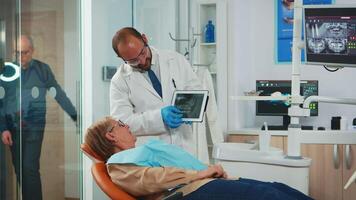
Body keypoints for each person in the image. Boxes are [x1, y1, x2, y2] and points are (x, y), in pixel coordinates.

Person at [84, 116, 313, 200]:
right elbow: (152, 179)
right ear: (111, 135)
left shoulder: (138, 151)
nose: (128, 126)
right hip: (189, 192)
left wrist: (210, 171)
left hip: (205, 183)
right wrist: (202, 173)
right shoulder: (118, 165)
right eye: (121, 124)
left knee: (280, 189)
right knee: (270, 196)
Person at [0, 35, 77, 200]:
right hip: (13, 127)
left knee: (30, 167)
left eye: (25, 52)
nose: (20, 57)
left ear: (32, 51)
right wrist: (3, 128)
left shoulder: (43, 70)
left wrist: (74, 114)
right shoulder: (7, 71)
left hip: (34, 127)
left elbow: (57, 93)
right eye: (17, 52)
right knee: (20, 168)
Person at [110, 27, 202, 156]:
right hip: (150, 154)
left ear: (145, 39)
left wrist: (192, 109)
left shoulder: (175, 59)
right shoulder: (119, 81)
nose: (141, 61)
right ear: (121, 57)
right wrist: (159, 117)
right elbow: (122, 123)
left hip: (184, 146)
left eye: (142, 53)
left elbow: (195, 89)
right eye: (133, 61)